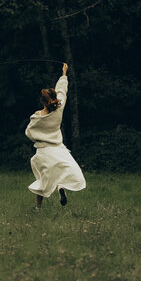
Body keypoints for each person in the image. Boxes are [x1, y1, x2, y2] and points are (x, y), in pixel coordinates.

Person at [25, 63, 86, 209]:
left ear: (43, 101)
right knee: (61, 171)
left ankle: (38, 208)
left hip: (44, 152)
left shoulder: (37, 117)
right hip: (59, 149)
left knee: (42, 179)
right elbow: (62, 90)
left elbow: (29, 133)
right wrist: (64, 74)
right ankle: (60, 187)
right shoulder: (59, 107)